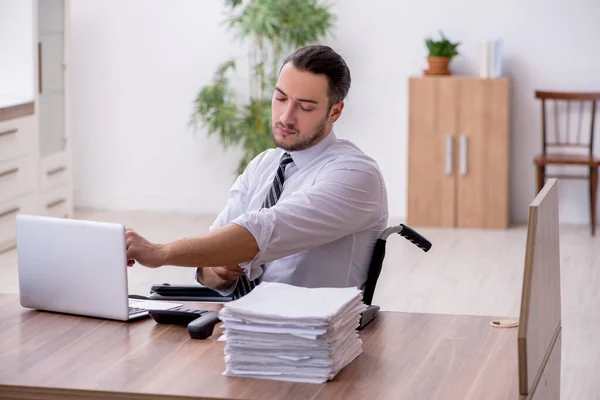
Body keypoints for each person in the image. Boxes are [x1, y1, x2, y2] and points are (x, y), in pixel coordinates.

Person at [126, 44, 389, 299]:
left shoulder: (356, 175)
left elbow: (261, 231)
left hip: (310, 334)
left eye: (305, 107)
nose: (286, 117)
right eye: (281, 98)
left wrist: (160, 252)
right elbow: (209, 262)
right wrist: (219, 270)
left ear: (335, 112)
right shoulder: (264, 165)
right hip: (241, 327)